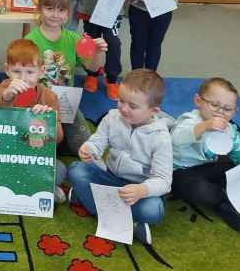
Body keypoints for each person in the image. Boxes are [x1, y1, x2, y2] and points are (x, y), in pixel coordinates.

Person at [68, 69, 173, 246]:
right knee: (76, 170)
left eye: (132, 106)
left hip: (137, 190)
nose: (123, 108)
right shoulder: (112, 117)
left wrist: (141, 190)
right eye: (121, 100)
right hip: (109, 177)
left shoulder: (161, 138)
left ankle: (85, 199)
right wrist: (89, 149)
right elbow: (97, 142)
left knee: (154, 211)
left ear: (152, 111)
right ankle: (128, 223)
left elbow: (164, 181)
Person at [25, 0, 107, 154]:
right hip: (39, 104)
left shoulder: (74, 39)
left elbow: (92, 67)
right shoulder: (30, 41)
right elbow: (23, 78)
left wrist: (98, 52)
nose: (55, 15)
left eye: (61, 10)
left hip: (66, 104)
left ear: (67, 13)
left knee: (85, 149)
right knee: (39, 148)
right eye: (49, 9)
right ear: (40, 9)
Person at [0, 39, 66, 203]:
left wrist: (49, 121)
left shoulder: (49, 96)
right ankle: (38, 188)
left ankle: (31, 186)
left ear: (41, 72)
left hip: (35, 156)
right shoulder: (4, 88)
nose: (23, 78)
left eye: (30, 72)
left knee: (60, 169)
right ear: (7, 70)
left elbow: (59, 139)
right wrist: (8, 96)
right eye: (17, 71)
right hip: (7, 153)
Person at [171, 77, 240, 232]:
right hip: (181, 171)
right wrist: (204, 126)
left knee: (233, 166)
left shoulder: (229, 129)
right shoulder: (190, 120)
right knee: (194, 188)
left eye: (227, 109)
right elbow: (176, 139)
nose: (220, 112)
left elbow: (239, 152)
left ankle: (232, 190)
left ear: (235, 111)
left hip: (208, 167)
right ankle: (221, 202)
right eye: (215, 105)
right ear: (198, 101)